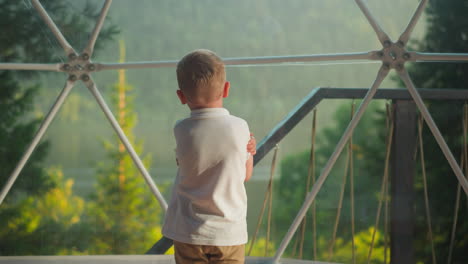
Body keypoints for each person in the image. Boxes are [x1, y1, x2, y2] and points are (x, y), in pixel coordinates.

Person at [162, 49, 256, 264]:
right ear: (226, 89)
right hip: (229, 234)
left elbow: (185, 163)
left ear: (181, 96)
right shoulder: (240, 127)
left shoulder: (181, 129)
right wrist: (250, 150)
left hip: (188, 232)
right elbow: (245, 175)